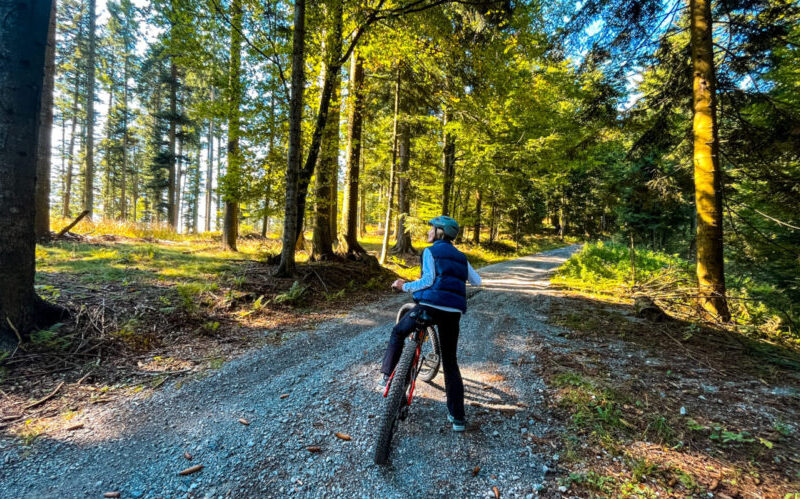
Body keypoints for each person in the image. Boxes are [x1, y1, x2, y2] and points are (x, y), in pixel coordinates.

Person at [380, 216, 481, 432]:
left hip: (429, 306)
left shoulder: (430, 252)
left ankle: (387, 376)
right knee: (450, 362)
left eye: (431, 229)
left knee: (398, 332)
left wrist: (403, 285)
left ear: (440, 232)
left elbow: (428, 281)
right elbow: (477, 281)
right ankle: (458, 418)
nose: (428, 233)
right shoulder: (462, 257)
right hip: (453, 313)